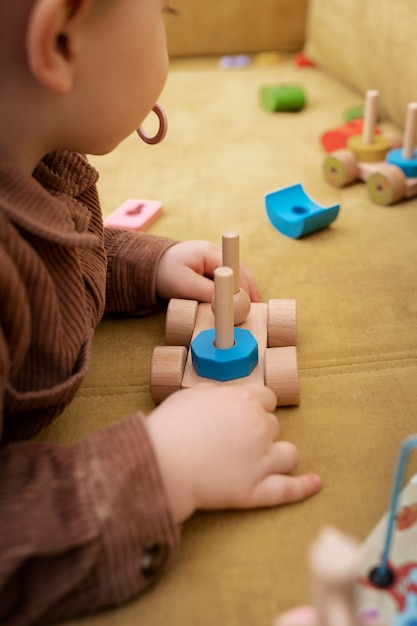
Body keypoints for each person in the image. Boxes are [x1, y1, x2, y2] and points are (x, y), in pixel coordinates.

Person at [0, 1, 322, 624]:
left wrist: (140, 264)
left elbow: (56, 247)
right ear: (61, 41)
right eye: (166, 11)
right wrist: (160, 467)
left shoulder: (27, 150)